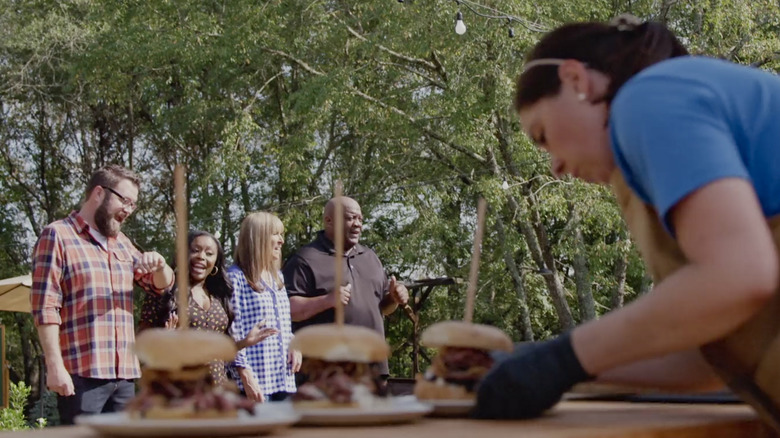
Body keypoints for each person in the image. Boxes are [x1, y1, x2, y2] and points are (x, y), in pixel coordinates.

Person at [472, 14, 780, 432]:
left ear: (576, 79)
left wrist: (569, 356)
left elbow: (741, 274)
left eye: (542, 134)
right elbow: (710, 357)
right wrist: (555, 363)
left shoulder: (648, 97)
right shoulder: (668, 115)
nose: (555, 165)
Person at [30, 164, 175, 424]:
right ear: (99, 193)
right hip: (83, 377)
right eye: (125, 201)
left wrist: (161, 265)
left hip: (125, 378)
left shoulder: (122, 244)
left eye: (134, 204)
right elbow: (46, 306)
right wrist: (54, 366)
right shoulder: (58, 235)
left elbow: (160, 286)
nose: (129, 210)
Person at [282, 196, 409, 379]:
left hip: (372, 368)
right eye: (350, 218)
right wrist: (326, 301)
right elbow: (288, 309)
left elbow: (384, 309)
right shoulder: (306, 259)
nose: (357, 224)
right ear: (328, 220)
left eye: (360, 219)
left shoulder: (370, 257)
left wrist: (393, 298)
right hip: (327, 373)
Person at [138, 230, 278, 386]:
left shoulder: (219, 295)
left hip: (217, 388)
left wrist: (245, 342)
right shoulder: (164, 290)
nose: (201, 257)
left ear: (216, 263)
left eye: (209, 253)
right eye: (195, 250)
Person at [229, 212, 301, 402]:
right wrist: (245, 375)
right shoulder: (236, 278)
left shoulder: (278, 278)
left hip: (283, 380)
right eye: (275, 234)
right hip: (255, 387)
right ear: (258, 238)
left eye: (281, 235)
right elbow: (232, 333)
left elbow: (282, 325)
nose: (281, 241)